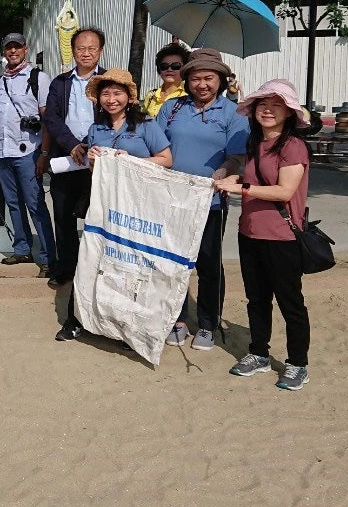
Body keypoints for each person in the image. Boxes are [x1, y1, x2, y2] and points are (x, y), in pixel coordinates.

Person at [55, 69, 172, 341]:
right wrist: (92, 158)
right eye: (105, 93)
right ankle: (76, 320)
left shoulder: (146, 124)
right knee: (90, 259)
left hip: (136, 208)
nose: (111, 99)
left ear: (129, 97)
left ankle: (128, 329)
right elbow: (91, 165)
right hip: (103, 205)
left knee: (130, 266)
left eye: (117, 93)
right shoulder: (96, 129)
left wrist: (131, 161)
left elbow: (166, 159)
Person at [214, 79, 314, 390]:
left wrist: (241, 187)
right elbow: (256, 176)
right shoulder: (256, 143)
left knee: (290, 302)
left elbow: (284, 190)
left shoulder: (293, 146)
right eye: (262, 104)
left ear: (289, 112)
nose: (267, 110)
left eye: (276, 104)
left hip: (281, 236)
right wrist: (236, 175)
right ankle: (258, 352)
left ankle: (298, 363)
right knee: (256, 299)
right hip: (250, 233)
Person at [158, 47, 249, 351]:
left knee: (209, 264)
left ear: (221, 80)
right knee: (175, 261)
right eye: (196, 78)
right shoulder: (171, 109)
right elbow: (155, 148)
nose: (202, 84)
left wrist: (226, 171)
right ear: (186, 80)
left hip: (210, 202)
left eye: (209, 78)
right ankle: (178, 318)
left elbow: (238, 155)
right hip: (172, 200)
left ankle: (208, 323)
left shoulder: (233, 113)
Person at [0, 32, 56, 270]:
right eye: (8, 48)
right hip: (3, 151)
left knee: (35, 205)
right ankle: (22, 250)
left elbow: (48, 120)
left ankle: (47, 258)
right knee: (13, 204)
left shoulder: (39, 78)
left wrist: (44, 154)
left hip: (29, 152)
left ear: (25, 50)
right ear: (4, 52)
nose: (13, 51)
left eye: (17, 47)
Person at [39, 27, 107, 289]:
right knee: (64, 214)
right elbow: (52, 119)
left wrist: (92, 147)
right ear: (73, 51)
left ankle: (95, 270)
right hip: (66, 160)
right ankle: (66, 267)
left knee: (97, 217)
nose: (86, 53)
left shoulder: (109, 82)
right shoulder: (61, 82)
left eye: (92, 48)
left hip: (98, 160)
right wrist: (72, 145)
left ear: (100, 51)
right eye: (81, 48)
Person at [141, 44, 190, 117]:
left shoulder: (189, 95)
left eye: (175, 66)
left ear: (184, 69)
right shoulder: (151, 95)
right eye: (164, 66)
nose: (169, 70)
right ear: (159, 70)